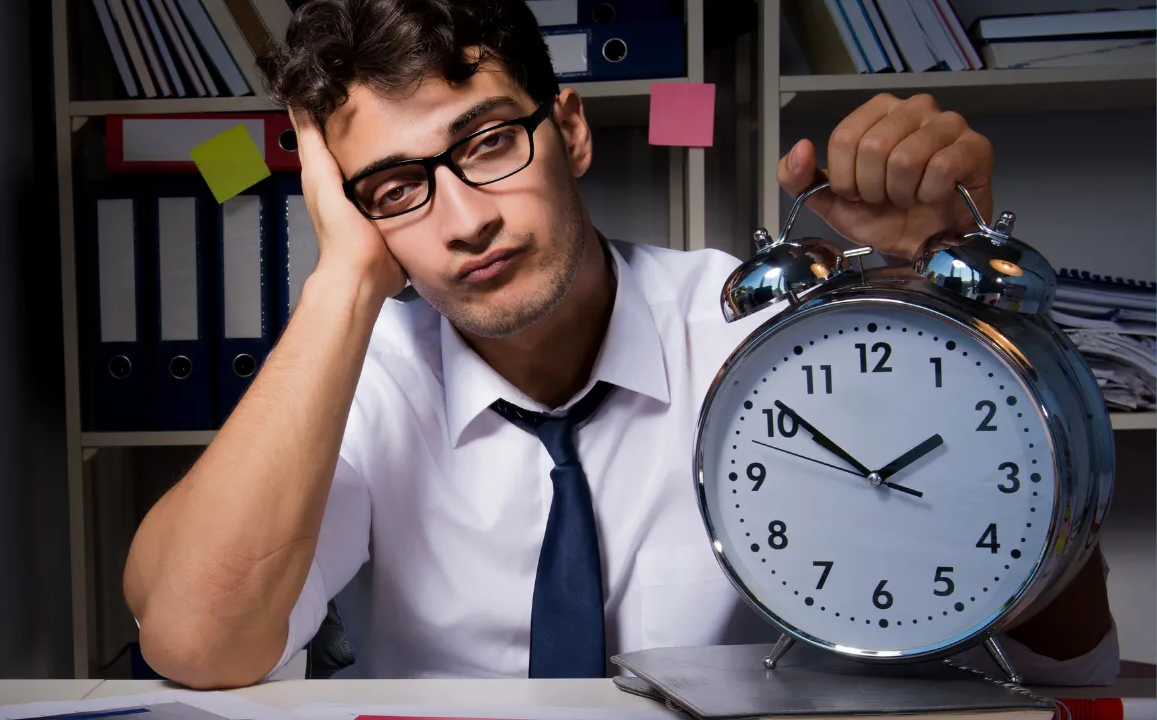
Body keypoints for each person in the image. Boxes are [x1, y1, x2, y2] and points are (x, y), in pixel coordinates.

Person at [122, 0, 1119, 690]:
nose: (463, 220)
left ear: (570, 130)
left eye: (484, 144)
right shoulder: (369, 374)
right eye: (393, 189)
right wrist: (339, 278)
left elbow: (1064, 662)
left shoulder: (773, 342)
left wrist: (949, 322)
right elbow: (200, 644)